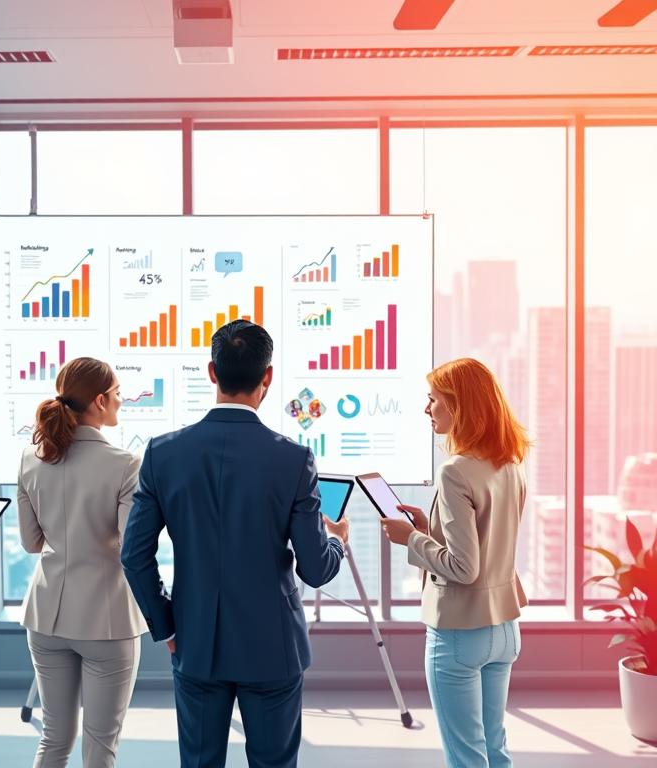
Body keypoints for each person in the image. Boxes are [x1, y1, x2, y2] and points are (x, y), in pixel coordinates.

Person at [121, 320, 349, 768]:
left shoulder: (164, 454)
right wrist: (336, 541)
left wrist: (166, 627)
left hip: (195, 640)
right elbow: (316, 569)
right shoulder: (293, 458)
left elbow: (133, 555)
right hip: (273, 645)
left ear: (212, 372)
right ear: (267, 377)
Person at [380, 358, 529, 768]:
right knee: (495, 750)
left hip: (460, 633)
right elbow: (490, 543)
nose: (426, 409)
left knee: (466, 758)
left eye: (433, 400)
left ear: (459, 405)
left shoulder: (455, 472)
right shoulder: (510, 465)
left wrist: (409, 538)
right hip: (504, 629)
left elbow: (465, 568)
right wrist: (430, 529)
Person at [17, 357, 145, 768]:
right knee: (100, 745)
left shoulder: (31, 459)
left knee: (54, 739)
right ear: (101, 400)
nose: (121, 404)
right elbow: (131, 550)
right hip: (106, 621)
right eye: (119, 395)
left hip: (46, 616)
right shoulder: (125, 465)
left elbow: (31, 543)